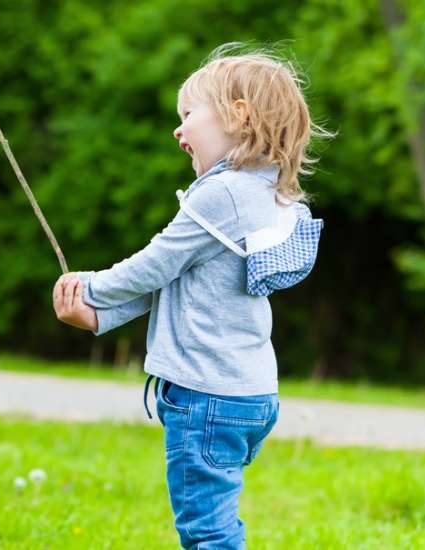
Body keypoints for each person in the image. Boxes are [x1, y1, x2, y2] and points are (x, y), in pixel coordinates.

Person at [52, 47, 330, 549]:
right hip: (250, 395)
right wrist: (99, 317)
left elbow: (154, 264)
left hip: (207, 397)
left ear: (238, 115)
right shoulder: (267, 193)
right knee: (214, 520)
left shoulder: (222, 195)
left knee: (208, 531)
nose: (178, 131)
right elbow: (173, 280)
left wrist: (88, 288)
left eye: (188, 115)